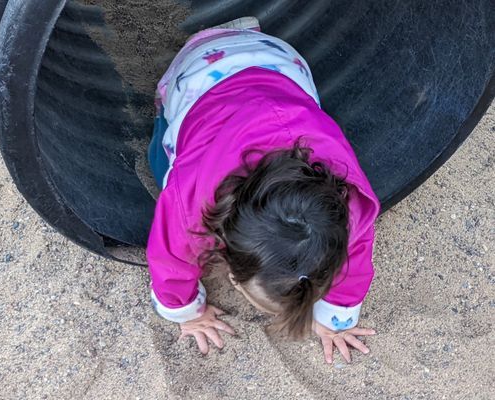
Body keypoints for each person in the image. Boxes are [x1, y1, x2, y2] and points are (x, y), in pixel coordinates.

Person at [146, 17, 380, 364]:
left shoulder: (349, 209)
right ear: (227, 256)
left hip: (280, 62)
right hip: (198, 71)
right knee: (159, 161)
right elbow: (170, 258)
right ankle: (210, 49)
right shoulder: (191, 197)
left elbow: (356, 254)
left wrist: (335, 320)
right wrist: (187, 313)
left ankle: (241, 36)